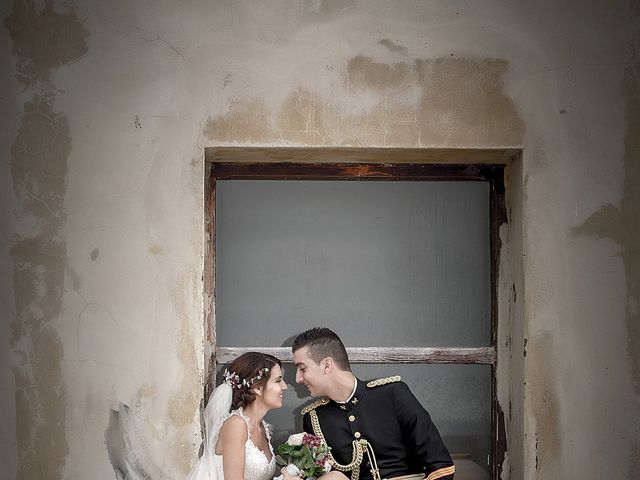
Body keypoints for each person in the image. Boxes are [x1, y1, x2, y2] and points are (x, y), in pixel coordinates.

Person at [292, 328, 455, 480]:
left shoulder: (392, 395)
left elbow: (441, 466)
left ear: (327, 365)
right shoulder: (314, 418)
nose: (298, 379)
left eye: (303, 369)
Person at [186, 352, 288, 480]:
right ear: (258, 388)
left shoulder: (262, 427)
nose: (284, 386)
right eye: (278, 380)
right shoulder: (236, 425)